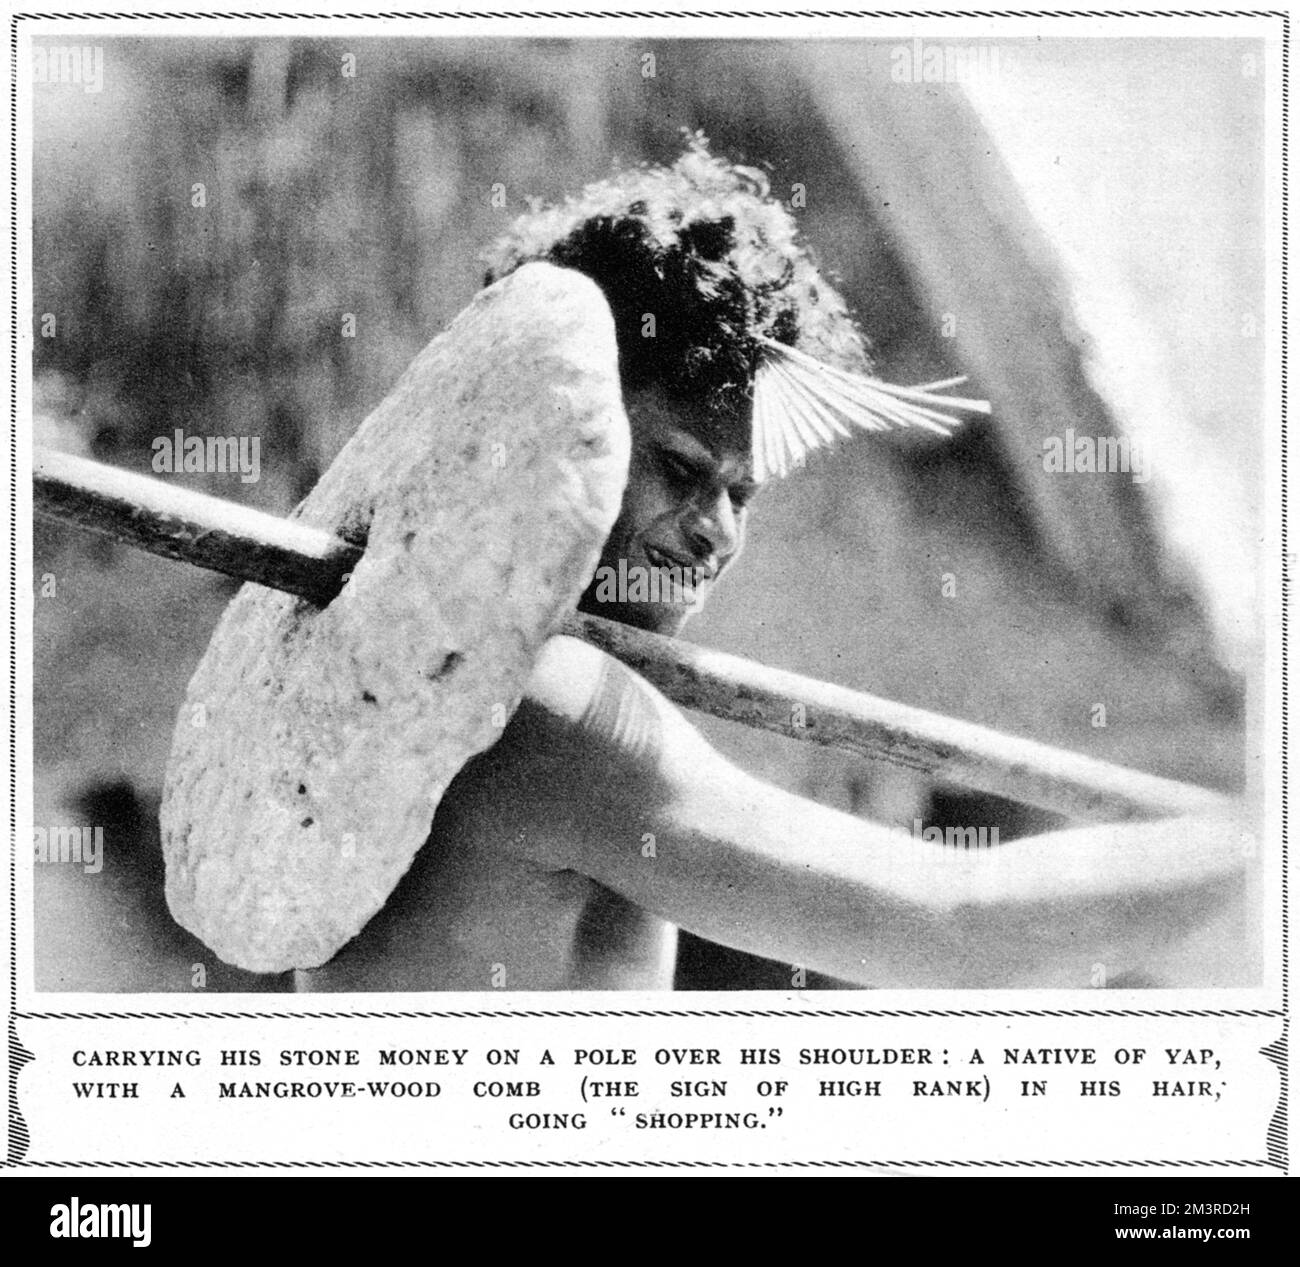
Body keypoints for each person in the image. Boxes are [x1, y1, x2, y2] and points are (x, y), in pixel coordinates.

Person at [298, 139, 1251, 992]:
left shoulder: (470, 661)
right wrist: (1259, 843)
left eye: (741, 494)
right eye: (680, 468)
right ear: (544, 431)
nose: (717, 531)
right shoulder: (542, 700)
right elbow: (956, 925)